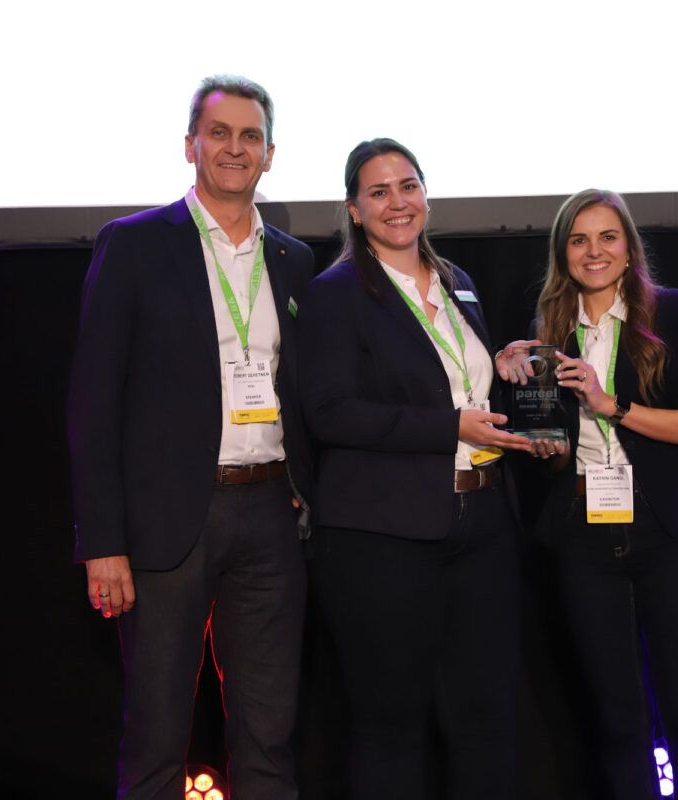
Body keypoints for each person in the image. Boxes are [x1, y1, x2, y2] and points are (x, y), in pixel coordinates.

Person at [66, 75, 314, 799]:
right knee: (155, 738)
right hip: (166, 522)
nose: (235, 148)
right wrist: (102, 540)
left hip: (272, 515)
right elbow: (93, 403)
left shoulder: (293, 260)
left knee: (269, 737)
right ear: (190, 145)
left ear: (269, 155)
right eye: (220, 133)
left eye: (251, 137)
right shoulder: (135, 245)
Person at [297, 138, 533, 800]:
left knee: (484, 719)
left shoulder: (457, 279)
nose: (397, 202)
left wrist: (501, 362)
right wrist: (449, 426)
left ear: (425, 193)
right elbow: (331, 413)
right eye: (378, 192)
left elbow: (457, 382)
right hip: (382, 539)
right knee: (389, 727)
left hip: (482, 526)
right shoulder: (333, 294)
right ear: (353, 209)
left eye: (408, 185)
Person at [496, 189, 678, 799]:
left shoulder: (670, 313)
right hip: (585, 534)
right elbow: (549, 447)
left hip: (669, 529)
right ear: (563, 254)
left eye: (607, 237)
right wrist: (541, 445)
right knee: (617, 719)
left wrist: (612, 406)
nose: (593, 251)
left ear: (629, 249)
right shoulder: (547, 331)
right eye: (579, 239)